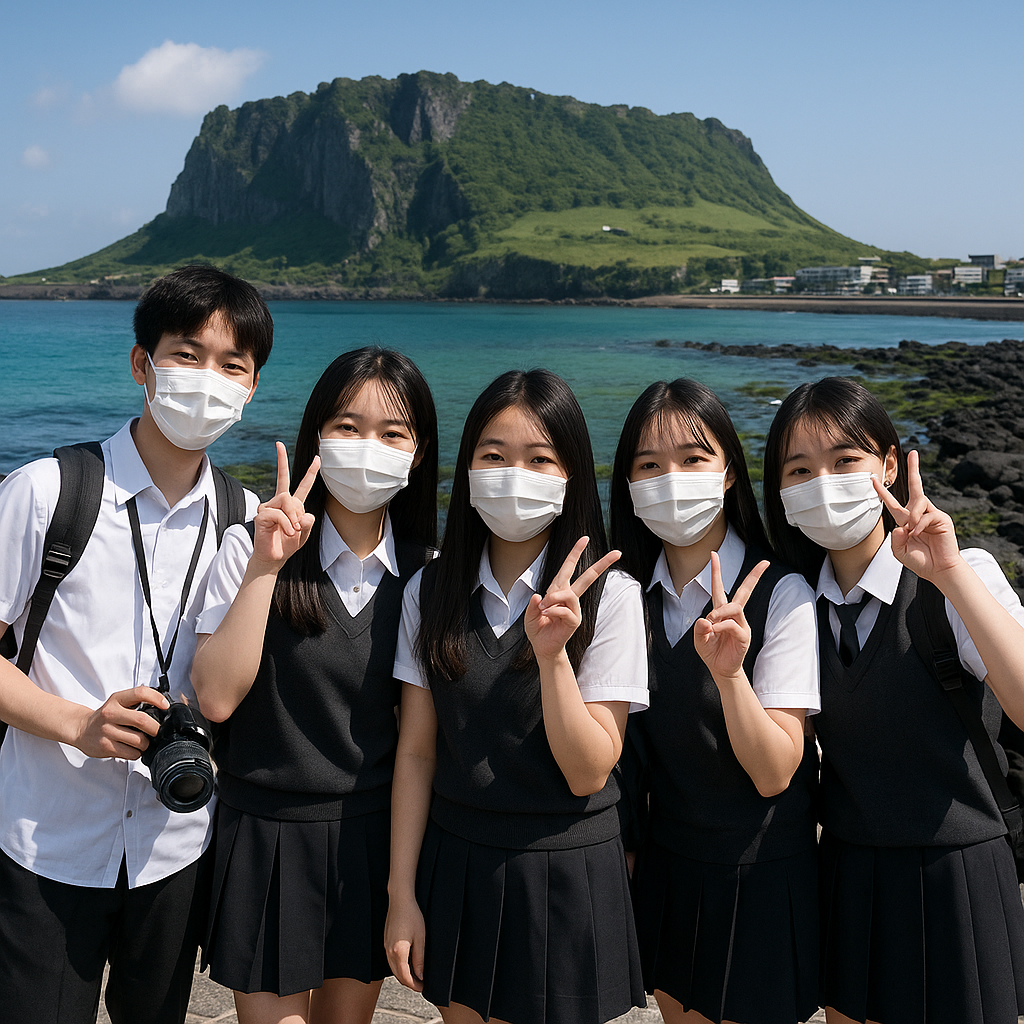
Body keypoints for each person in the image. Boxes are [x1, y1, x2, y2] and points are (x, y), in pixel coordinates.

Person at [0, 265, 272, 1024]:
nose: (208, 379)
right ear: (140, 363)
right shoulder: (47, 492)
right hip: (44, 840)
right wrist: (76, 725)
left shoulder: (246, 519)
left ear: (251, 389)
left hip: (173, 844)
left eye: (233, 366)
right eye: (187, 354)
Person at [385, 368, 649, 1024]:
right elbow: (417, 754)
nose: (514, 475)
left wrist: (554, 654)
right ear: (467, 468)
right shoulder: (431, 589)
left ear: (572, 475)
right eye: (493, 456)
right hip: (460, 859)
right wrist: (401, 893)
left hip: (565, 866)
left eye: (540, 459)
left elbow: (590, 767)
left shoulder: (612, 597)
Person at [762, 375, 1024, 1024]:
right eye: (799, 469)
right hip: (850, 869)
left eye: (845, 459)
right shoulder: (792, 606)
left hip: (959, 868)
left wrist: (951, 573)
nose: (822, 481)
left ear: (887, 463)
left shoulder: (962, 577)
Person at [191, 347, 438, 1024]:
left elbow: (420, 740)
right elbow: (214, 698)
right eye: (347, 426)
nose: (369, 446)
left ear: (418, 455)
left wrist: (402, 887)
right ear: (316, 439)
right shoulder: (250, 548)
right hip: (265, 829)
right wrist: (267, 569)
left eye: (393, 433)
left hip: (369, 837)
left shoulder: (428, 574)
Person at [609, 378, 820, 1024]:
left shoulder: (782, 593)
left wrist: (731, 677)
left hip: (757, 875)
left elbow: (776, 769)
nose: (671, 478)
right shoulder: (629, 599)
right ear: (629, 485)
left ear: (728, 471)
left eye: (693, 459)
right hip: (669, 870)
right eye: (649, 465)